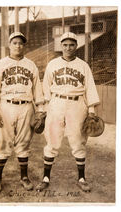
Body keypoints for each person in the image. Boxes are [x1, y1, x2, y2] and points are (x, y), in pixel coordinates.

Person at [36, 32, 100, 192]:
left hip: (77, 104)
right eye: (65, 44)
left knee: (78, 140)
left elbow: (90, 88)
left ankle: (82, 178)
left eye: (71, 44)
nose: (68, 47)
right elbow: (46, 87)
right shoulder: (52, 64)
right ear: (60, 46)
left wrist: (91, 110)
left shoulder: (83, 65)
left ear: (76, 46)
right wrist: (44, 109)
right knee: (52, 139)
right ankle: (45, 178)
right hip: (56, 103)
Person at [0, 32, 44, 192]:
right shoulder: (0, 64)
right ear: (9, 45)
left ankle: (24, 177)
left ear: (24, 45)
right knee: (3, 142)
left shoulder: (31, 65)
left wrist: (40, 111)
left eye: (21, 43)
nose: (18, 45)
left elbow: (37, 89)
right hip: (6, 106)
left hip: (26, 107)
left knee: (24, 142)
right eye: (15, 43)